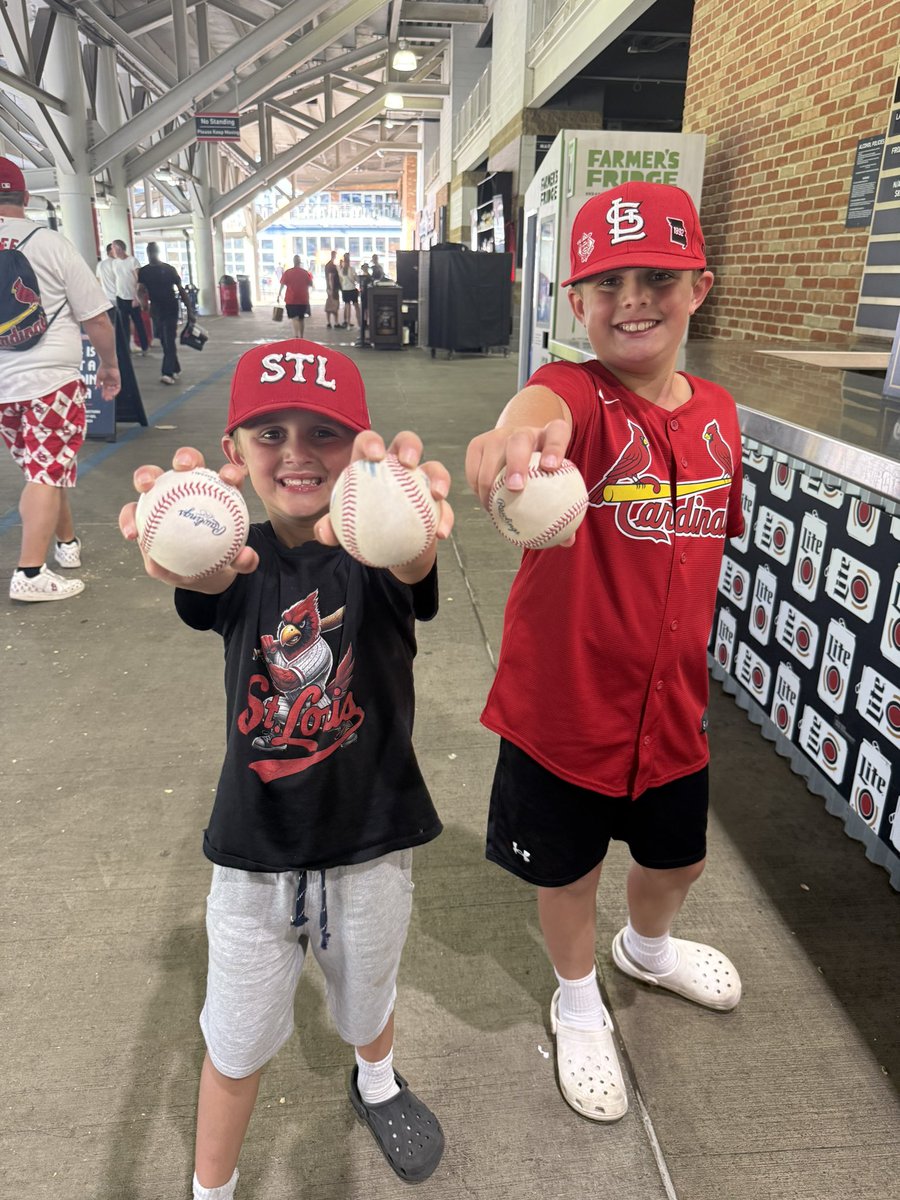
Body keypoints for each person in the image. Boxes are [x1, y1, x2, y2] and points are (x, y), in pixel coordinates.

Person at [118, 338, 454, 1199]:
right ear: (233, 451)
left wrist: (411, 529)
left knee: (369, 994)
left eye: (325, 433)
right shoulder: (237, 560)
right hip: (254, 855)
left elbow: (413, 566)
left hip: (372, 840)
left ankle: (376, 1079)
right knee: (233, 1046)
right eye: (270, 434)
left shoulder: (378, 550)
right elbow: (200, 578)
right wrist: (178, 543)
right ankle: (212, 1189)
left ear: (364, 445)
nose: (298, 453)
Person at [465, 182, 745, 1123]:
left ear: (698, 288)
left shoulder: (720, 415)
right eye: (608, 282)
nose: (633, 299)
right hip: (565, 711)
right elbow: (536, 408)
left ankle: (647, 950)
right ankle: (578, 998)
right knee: (568, 873)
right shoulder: (577, 398)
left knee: (679, 862)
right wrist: (514, 437)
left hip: (672, 707)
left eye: (657, 277)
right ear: (575, 302)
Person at [0, 156, 120, 602]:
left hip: (3, 390)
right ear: (26, 196)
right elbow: (97, 319)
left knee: (45, 468)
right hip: (50, 381)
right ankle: (30, 574)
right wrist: (109, 365)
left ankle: (67, 544)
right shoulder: (50, 243)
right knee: (45, 473)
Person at [137, 242, 195, 385]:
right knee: (164, 341)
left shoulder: (169, 269)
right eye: (149, 252)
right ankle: (175, 367)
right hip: (156, 310)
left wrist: (190, 310)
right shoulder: (144, 272)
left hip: (171, 308)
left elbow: (181, 290)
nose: (151, 255)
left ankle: (167, 373)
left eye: (153, 252)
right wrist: (143, 303)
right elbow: (141, 289)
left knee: (169, 340)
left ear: (158, 252)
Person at [112, 238, 148, 354]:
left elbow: (138, 280)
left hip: (132, 298)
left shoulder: (133, 261)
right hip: (120, 296)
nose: (113, 251)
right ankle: (126, 349)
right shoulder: (114, 263)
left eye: (114, 248)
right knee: (124, 325)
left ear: (120, 249)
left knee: (138, 322)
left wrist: (136, 297)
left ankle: (144, 346)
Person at [276, 254, 314, 337]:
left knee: (294, 318)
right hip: (303, 299)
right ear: (300, 262)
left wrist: (278, 295)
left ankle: (296, 336)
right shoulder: (305, 273)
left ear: (293, 262)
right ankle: (301, 336)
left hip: (291, 299)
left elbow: (282, 284)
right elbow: (311, 284)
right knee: (301, 318)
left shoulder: (288, 272)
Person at [338, 253, 360, 329]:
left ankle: (348, 324)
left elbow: (341, 282)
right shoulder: (352, 269)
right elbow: (356, 279)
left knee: (347, 307)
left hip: (345, 290)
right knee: (357, 307)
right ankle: (359, 324)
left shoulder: (341, 271)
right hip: (352, 289)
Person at [96, 243, 118, 312]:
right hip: (119, 297)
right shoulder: (117, 263)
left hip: (106, 298)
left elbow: (98, 281)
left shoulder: (100, 264)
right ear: (111, 251)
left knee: (111, 317)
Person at [323, 250, 340, 329]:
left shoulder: (328, 265)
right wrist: (332, 288)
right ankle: (336, 322)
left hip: (329, 288)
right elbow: (331, 277)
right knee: (334, 305)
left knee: (329, 305)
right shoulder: (332, 266)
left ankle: (329, 322)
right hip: (333, 288)